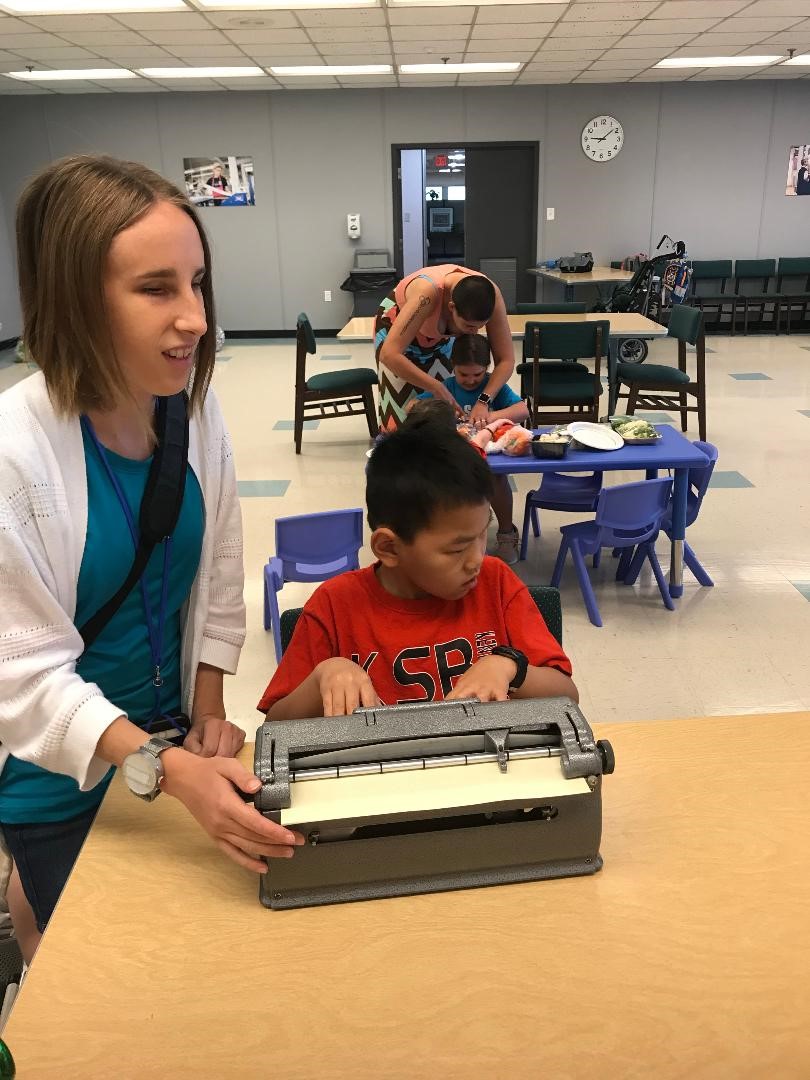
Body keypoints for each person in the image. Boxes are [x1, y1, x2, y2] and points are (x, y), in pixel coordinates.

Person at [0, 155, 302, 962]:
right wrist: (161, 769)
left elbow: (218, 567)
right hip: (59, 777)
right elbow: (23, 679)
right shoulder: (13, 452)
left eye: (197, 283)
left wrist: (206, 709)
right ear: (76, 300)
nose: (196, 318)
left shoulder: (190, 410)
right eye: (157, 289)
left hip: (167, 750)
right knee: (108, 974)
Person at [259, 423, 576, 721]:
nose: (477, 559)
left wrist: (511, 667)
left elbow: (567, 696)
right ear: (390, 548)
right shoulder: (335, 604)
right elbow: (275, 724)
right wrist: (322, 677)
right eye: (456, 548)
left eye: (483, 534)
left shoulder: (496, 582)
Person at [416, 333, 529, 564]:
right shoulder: (448, 387)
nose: (469, 380)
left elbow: (523, 411)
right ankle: (457, 535)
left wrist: (489, 415)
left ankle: (506, 534)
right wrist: (439, 411)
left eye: (477, 374)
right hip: (456, 460)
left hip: (491, 459)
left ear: (486, 368)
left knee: (496, 479)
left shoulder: (493, 386)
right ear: (453, 368)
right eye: (463, 374)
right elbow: (413, 405)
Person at [375, 264, 514, 432]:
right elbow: (389, 354)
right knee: (400, 425)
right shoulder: (426, 294)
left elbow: (506, 360)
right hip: (397, 331)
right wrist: (435, 386)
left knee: (444, 414)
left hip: (443, 333)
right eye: (469, 325)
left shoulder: (492, 296)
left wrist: (483, 400)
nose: (474, 332)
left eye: (481, 326)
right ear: (451, 307)